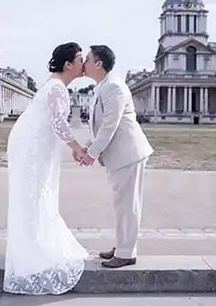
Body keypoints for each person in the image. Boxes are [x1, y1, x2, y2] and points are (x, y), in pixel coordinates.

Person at [3, 42, 88, 295]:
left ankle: (29, 241)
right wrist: (76, 146)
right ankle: (33, 247)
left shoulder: (54, 85)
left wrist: (71, 146)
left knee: (35, 192)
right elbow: (58, 122)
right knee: (36, 192)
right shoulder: (57, 88)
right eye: (80, 59)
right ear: (68, 64)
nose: (84, 64)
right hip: (33, 145)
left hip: (31, 141)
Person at [81, 45, 153, 268]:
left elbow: (109, 127)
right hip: (121, 154)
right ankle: (123, 246)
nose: (83, 63)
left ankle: (126, 252)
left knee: (127, 204)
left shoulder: (114, 87)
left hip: (128, 153)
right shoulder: (104, 86)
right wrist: (88, 148)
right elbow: (100, 126)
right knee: (122, 203)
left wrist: (91, 154)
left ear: (98, 63)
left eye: (87, 59)